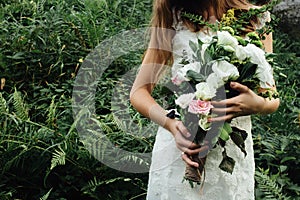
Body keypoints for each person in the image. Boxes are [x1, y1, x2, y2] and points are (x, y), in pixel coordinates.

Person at [130, 0, 280, 199]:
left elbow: (271, 97)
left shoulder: (257, 18)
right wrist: (172, 125)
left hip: (232, 153)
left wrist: (256, 104)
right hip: (181, 146)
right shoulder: (173, 15)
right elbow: (139, 92)